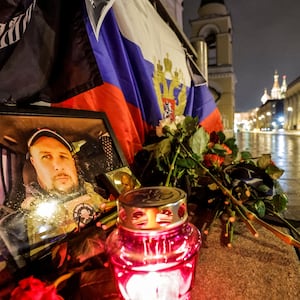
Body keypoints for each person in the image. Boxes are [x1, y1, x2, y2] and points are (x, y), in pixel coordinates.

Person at [21, 128, 108, 253]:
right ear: (34, 163)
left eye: (63, 156)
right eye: (46, 157)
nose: (58, 165)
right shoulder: (28, 219)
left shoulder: (98, 192)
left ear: (73, 161)